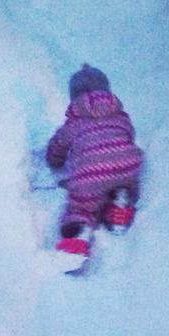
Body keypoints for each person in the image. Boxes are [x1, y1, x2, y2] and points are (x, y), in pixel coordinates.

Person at [46, 65, 144, 259]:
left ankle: (79, 232)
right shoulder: (121, 116)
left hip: (90, 174)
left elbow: (57, 148)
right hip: (127, 163)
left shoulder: (73, 123)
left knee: (81, 207)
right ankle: (119, 201)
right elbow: (129, 135)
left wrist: (55, 161)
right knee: (124, 177)